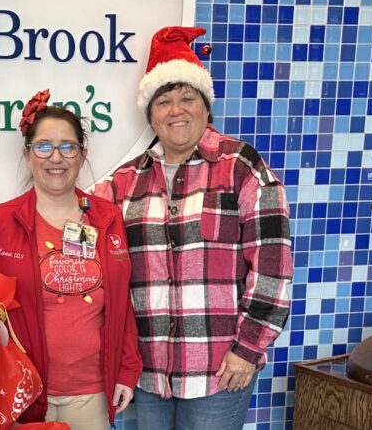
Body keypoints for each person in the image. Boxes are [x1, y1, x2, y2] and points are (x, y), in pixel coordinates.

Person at [93, 26, 293, 429]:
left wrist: (248, 349)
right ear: (150, 114)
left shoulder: (241, 167)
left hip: (219, 370)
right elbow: (73, 219)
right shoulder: (125, 181)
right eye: (163, 101)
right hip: (149, 373)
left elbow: (273, 267)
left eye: (187, 97)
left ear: (206, 106)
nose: (175, 110)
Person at [0, 89, 142, 429]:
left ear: (82, 153)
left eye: (68, 146)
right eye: (44, 146)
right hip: (22, 391)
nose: (56, 157)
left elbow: (122, 302)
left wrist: (127, 368)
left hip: (91, 393)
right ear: (28, 153)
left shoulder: (107, 219)